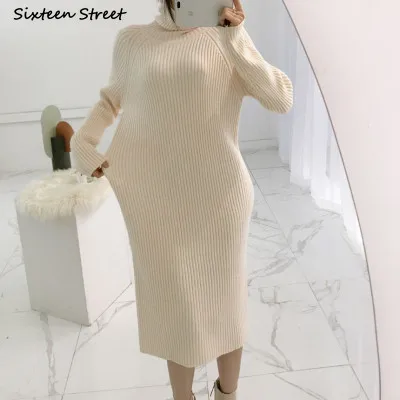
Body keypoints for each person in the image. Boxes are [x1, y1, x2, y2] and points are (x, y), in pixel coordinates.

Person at [71, 0, 293, 399]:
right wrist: (82, 144)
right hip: (158, 201)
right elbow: (110, 101)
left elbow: (280, 99)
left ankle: (227, 394)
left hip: (220, 195)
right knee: (177, 309)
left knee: (226, 304)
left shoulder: (227, 39)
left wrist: (235, 37)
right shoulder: (132, 41)